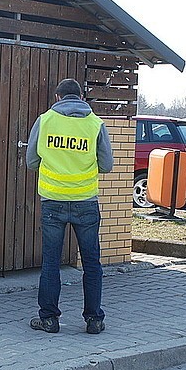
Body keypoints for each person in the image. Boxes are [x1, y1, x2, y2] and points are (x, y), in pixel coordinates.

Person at [26, 78, 113, 334]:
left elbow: (32, 161)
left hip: (53, 201)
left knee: (51, 263)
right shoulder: (95, 124)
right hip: (86, 203)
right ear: (82, 98)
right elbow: (107, 165)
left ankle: (49, 319)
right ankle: (94, 320)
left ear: (57, 98)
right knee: (91, 263)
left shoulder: (45, 121)